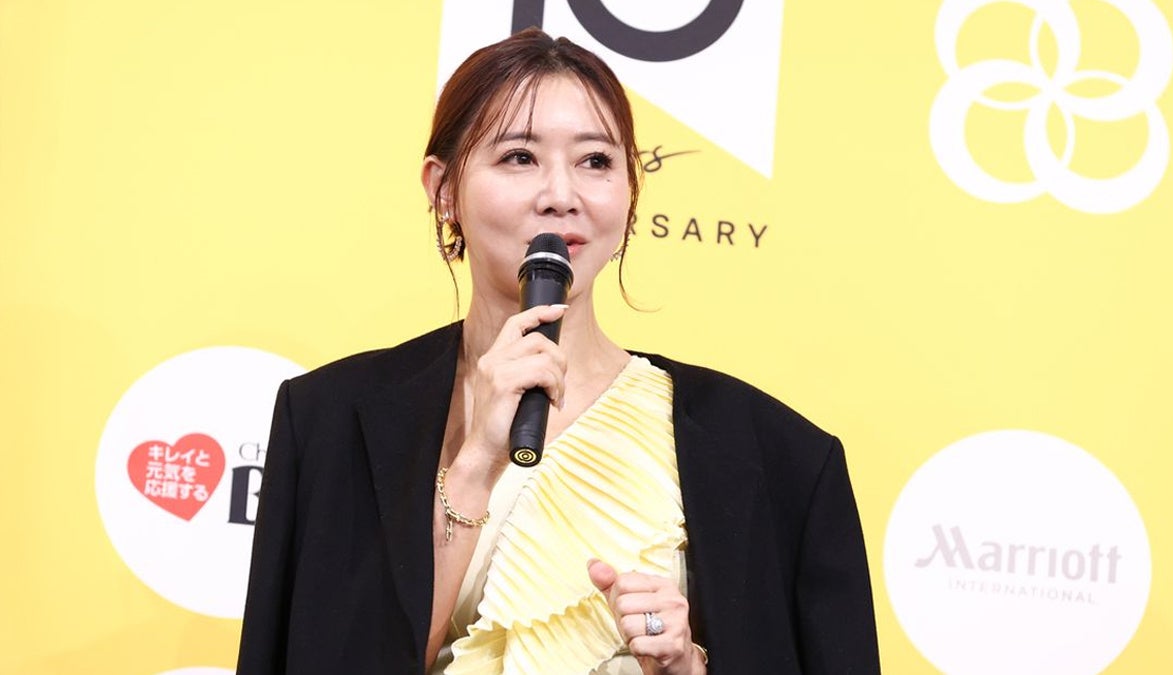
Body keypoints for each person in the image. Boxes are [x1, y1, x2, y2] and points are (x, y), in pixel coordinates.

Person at [236, 28, 879, 675]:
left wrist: (686, 666)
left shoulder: (779, 457)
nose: (561, 195)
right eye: (519, 156)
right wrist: (474, 465)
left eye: (595, 161)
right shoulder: (326, 422)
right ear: (443, 187)